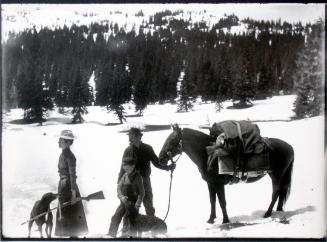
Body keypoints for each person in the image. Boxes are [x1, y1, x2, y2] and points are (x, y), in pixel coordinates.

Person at [108, 128, 174, 237]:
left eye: (132, 136)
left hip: (145, 182)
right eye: (129, 136)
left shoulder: (148, 149)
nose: (130, 139)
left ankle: (153, 232)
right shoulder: (127, 150)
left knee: (149, 207)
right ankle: (119, 232)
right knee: (125, 208)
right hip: (129, 184)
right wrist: (119, 182)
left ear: (139, 137)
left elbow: (157, 163)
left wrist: (168, 167)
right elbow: (122, 168)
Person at [55, 130, 88, 238]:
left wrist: (73, 194)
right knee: (64, 212)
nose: (58, 142)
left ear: (68, 142)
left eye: (61, 140)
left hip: (69, 187)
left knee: (70, 213)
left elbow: (73, 176)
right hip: (63, 186)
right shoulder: (63, 154)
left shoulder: (70, 156)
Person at [108, 146, 145, 238]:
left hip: (133, 203)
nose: (125, 168)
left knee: (130, 218)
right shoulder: (124, 176)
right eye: (123, 166)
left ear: (133, 166)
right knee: (116, 216)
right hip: (124, 201)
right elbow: (119, 188)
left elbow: (142, 192)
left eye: (126, 167)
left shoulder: (138, 177)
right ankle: (111, 234)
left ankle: (131, 236)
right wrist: (121, 197)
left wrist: (137, 204)